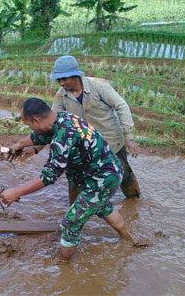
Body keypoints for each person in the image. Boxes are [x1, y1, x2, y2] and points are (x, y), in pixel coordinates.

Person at [0, 98, 146, 261]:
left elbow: (48, 176)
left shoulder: (63, 138)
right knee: (101, 205)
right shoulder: (63, 118)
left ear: (37, 120)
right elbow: (40, 136)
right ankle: (130, 239)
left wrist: (16, 192)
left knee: (71, 222)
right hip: (110, 171)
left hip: (102, 179)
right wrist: (19, 144)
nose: (31, 129)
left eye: (30, 125)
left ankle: (64, 265)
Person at [50, 55, 141, 202]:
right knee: (75, 180)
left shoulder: (98, 86)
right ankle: (75, 212)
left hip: (110, 141)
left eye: (64, 79)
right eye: (58, 80)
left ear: (75, 76)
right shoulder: (61, 96)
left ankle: (134, 202)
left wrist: (129, 137)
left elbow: (121, 106)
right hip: (82, 146)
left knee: (124, 174)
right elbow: (54, 122)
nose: (61, 83)